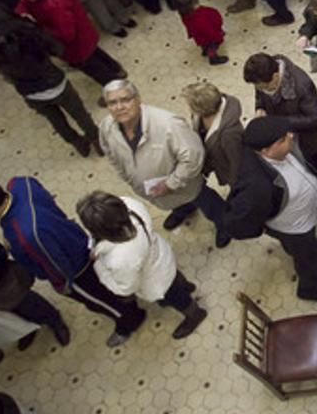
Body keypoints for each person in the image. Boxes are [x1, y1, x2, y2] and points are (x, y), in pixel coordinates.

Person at [0, 176, 147, 347]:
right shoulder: (20, 183)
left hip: (76, 271)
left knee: (100, 301)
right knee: (107, 288)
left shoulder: (27, 234)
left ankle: (130, 321)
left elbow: (57, 266)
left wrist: (64, 286)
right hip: (74, 237)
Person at [98, 79, 230, 245]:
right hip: (154, 189)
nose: (119, 107)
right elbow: (111, 155)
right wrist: (128, 177)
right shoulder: (106, 128)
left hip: (184, 184)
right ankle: (184, 209)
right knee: (173, 203)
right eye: (112, 102)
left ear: (138, 99)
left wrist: (170, 184)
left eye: (125, 99)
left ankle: (225, 223)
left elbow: (193, 158)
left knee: (207, 202)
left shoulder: (169, 124)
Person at [223, 116, 317, 303]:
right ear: (266, 151)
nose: (291, 137)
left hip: (304, 219)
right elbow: (236, 223)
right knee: (306, 261)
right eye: (283, 139)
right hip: (294, 229)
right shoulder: (256, 186)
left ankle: (310, 248)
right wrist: (262, 228)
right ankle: (311, 290)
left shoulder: (282, 149)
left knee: (305, 246)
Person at [0, 3, 101, 157]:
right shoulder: (28, 31)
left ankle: (79, 145)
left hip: (31, 94)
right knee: (80, 114)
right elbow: (58, 49)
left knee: (57, 122)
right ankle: (97, 141)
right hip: (57, 85)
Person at [75, 191, 207, 339]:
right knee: (175, 278)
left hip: (156, 281)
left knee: (175, 297)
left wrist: (101, 270)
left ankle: (195, 313)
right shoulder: (130, 205)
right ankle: (186, 286)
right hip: (161, 256)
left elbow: (126, 287)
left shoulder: (120, 258)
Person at [1, 0, 128, 86]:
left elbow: (66, 34)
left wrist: (36, 27)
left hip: (75, 47)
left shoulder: (52, 3)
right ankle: (117, 70)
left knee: (96, 70)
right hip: (84, 33)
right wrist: (21, 10)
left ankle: (114, 86)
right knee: (96, 53)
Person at [242, 51, 317, 192]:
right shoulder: (264, 74)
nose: (261, 89)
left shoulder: (301, 85)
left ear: (276, 76)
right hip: (287, 132)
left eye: (264, 86)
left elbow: (315, 118)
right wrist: (260, 107)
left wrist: (278, 122)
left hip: (309, 137)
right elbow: (259, 93)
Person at [182, 80, 244, 190]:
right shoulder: (201, 114)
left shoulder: (229, 134)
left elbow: (236, 162)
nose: (188, 108)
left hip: (226, 167)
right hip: (213, 160)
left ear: (202, 110)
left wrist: (236, 185)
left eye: (190, 105)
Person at [171, 0, 228, 65]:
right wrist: (218, 36)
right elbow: (208, 31)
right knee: (212, 47)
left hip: (199, 36)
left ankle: (205, 51)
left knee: (204, 45)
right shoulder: (199, 18)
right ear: (190, 6)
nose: (198, 3)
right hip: (209, 37)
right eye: (196, 2)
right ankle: (213, 59)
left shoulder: (185, 14)